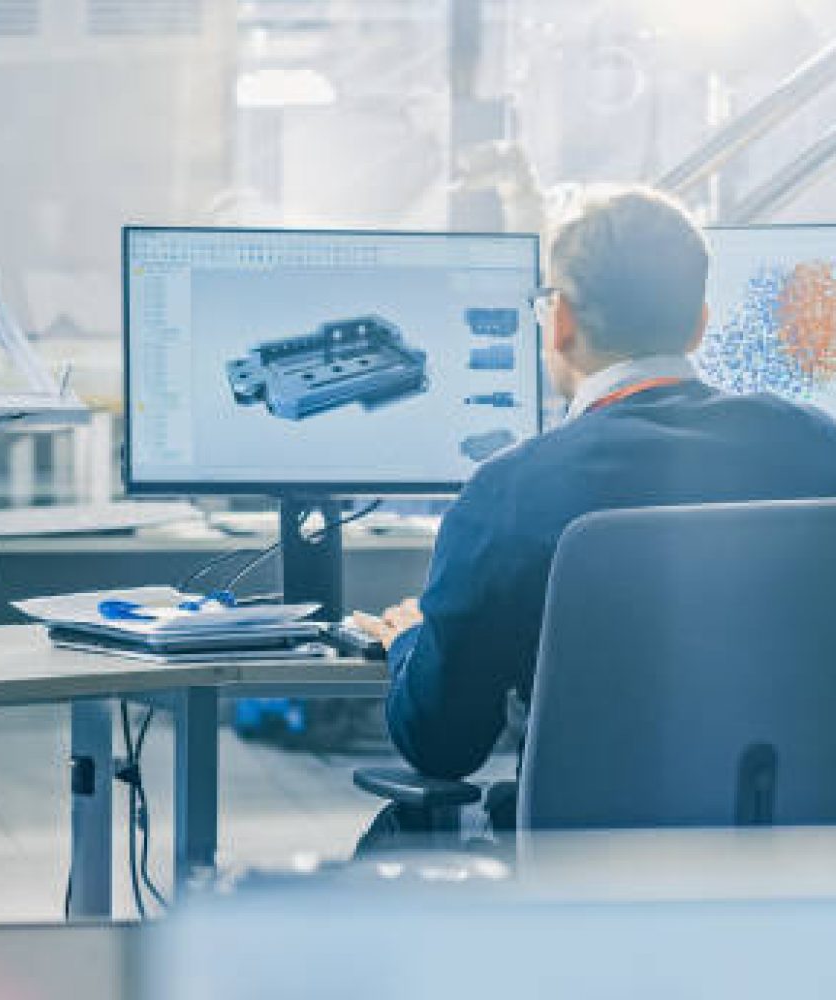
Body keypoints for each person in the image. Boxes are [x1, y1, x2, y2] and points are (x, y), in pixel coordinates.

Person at [353, 185, 836, 845]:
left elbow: (442, 745)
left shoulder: (509, 494)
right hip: (800, 866)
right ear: (698, 323)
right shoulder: (819, 449)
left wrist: (409, 640)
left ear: (561, 322)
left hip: (580, 878)